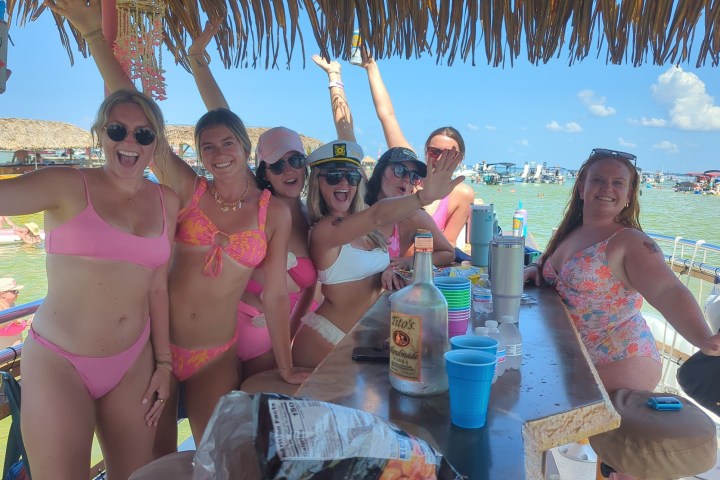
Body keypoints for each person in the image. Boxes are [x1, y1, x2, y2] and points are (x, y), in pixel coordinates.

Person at [50, 0, 309, 453]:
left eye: (227, 143)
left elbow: (273, 295)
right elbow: (140, 118)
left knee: (216, 458)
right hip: (155, 350)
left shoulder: (274, 213)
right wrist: (94, 38)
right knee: (157, 460)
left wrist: (285, 366)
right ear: (200, 155)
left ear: (244, 148)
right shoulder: (190, 191)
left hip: (216, 355)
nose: (218, 153)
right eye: (207, 147)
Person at [0, 84, 179, 479]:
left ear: (156, 142)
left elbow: (157, 287)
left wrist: (164, 363)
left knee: (135, 475)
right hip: (59, 361)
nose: (129, 142)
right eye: (117, 130)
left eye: (143, 134)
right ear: (101, 134)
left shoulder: (167, 200)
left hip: (133, 362)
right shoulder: (65, 184)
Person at [523, 148, 720, 397]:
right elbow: (549, 260)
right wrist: (534, 267)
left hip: (619, 358)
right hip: (571, 354)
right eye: (598, 180)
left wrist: (703, 338)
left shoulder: (631, 242)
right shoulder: (570, 231)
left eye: (618, 183)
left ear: (628, 195)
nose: (607, 188)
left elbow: (668, 290)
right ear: (582, 188)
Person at [187, 17, 318, 348]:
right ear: (263, 170)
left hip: (291, 333)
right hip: (247, 327)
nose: (288, 170)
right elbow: (222, 116)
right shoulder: (261, 205)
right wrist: (198, 62)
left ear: (306, 166)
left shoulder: (313, 215)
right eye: (277, 164)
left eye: (296, 160)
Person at [291, 139, 464, 368]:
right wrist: (422, 198)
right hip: (324, 340)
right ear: (317, 183)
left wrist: (391, 269)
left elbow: (371, 260)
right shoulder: (324, 230)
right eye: (333, 176)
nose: (344, 183)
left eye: (352, 177)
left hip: (359, 339)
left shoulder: (363, 224)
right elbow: (378, 215)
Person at [312, 56, 454, 292]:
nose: (406, 180)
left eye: (413, 177)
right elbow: (345, 128)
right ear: (380, 172)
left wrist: (407, 262)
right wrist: (334, 77)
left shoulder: (412, 217)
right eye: (399, 170)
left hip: (385, 302)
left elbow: (447, 252)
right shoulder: (354, 196)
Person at [354, 52, 475, 260]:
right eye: (435, 152)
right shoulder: (409, 171)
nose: (440, 159)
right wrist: (371, 68)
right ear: (426, 151)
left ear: (460, 158)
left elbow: (448, 247)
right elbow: (387, 116)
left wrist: (409, 263)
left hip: (415, 267)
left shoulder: (459, 194)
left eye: (450, 154)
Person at [0, 278, 29, 349]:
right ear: (2, 293)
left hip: (17, 347)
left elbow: (15, 323)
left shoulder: (12, 304)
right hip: (5, 350)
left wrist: (26, 322)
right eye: (14, 291)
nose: (17, 293)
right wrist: (13, 319)